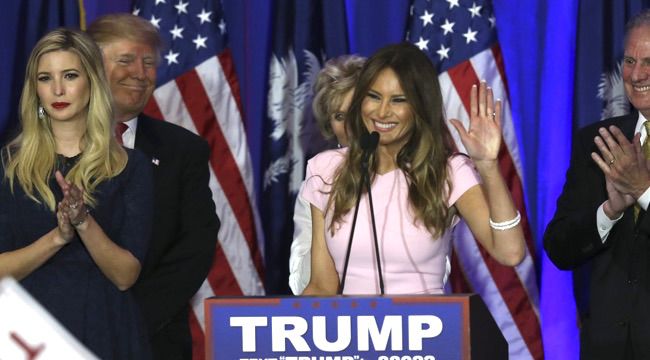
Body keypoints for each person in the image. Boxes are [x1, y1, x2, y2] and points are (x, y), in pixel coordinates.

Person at [301, 42, 525, 296]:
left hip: (425, 331)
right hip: (353, 332)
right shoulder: (327, 168)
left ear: (419, 107)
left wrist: (488, 166)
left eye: (398, 100)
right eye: (373, 97)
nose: (382, 112)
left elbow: (510, 252)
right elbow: (322, 286)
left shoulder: (449, 171)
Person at [0, 28, 153, 358]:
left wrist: (84, 222)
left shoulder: (131, 167)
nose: (57, 89)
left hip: (106, 332)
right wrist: (58, 237)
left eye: (70, 75)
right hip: (24, 337)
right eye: (45, 78)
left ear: (92, 83)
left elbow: (126, 276)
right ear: (35, 90)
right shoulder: (8, 166)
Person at [87, 14, 220, 359]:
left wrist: (131, 320)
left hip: (153, 338)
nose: (140, 73)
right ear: (89, 65)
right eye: (126, 60)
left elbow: (194, 248)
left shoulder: (183, 150)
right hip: (62, 333)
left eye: (148, 62)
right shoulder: (45, 147)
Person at [544, 9, 650, 359]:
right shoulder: (600, 141)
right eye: (631, 60)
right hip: (605, 347)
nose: (636, 74)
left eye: (649, 61)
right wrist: (608, 211)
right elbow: (559, 246)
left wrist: (644, 192)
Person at [289, 55, 365, 295]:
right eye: (339, 117)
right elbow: (304, 282)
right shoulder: (320, 179)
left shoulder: (417, 172)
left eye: (357, 111)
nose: (351, 126)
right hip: (336, 320)